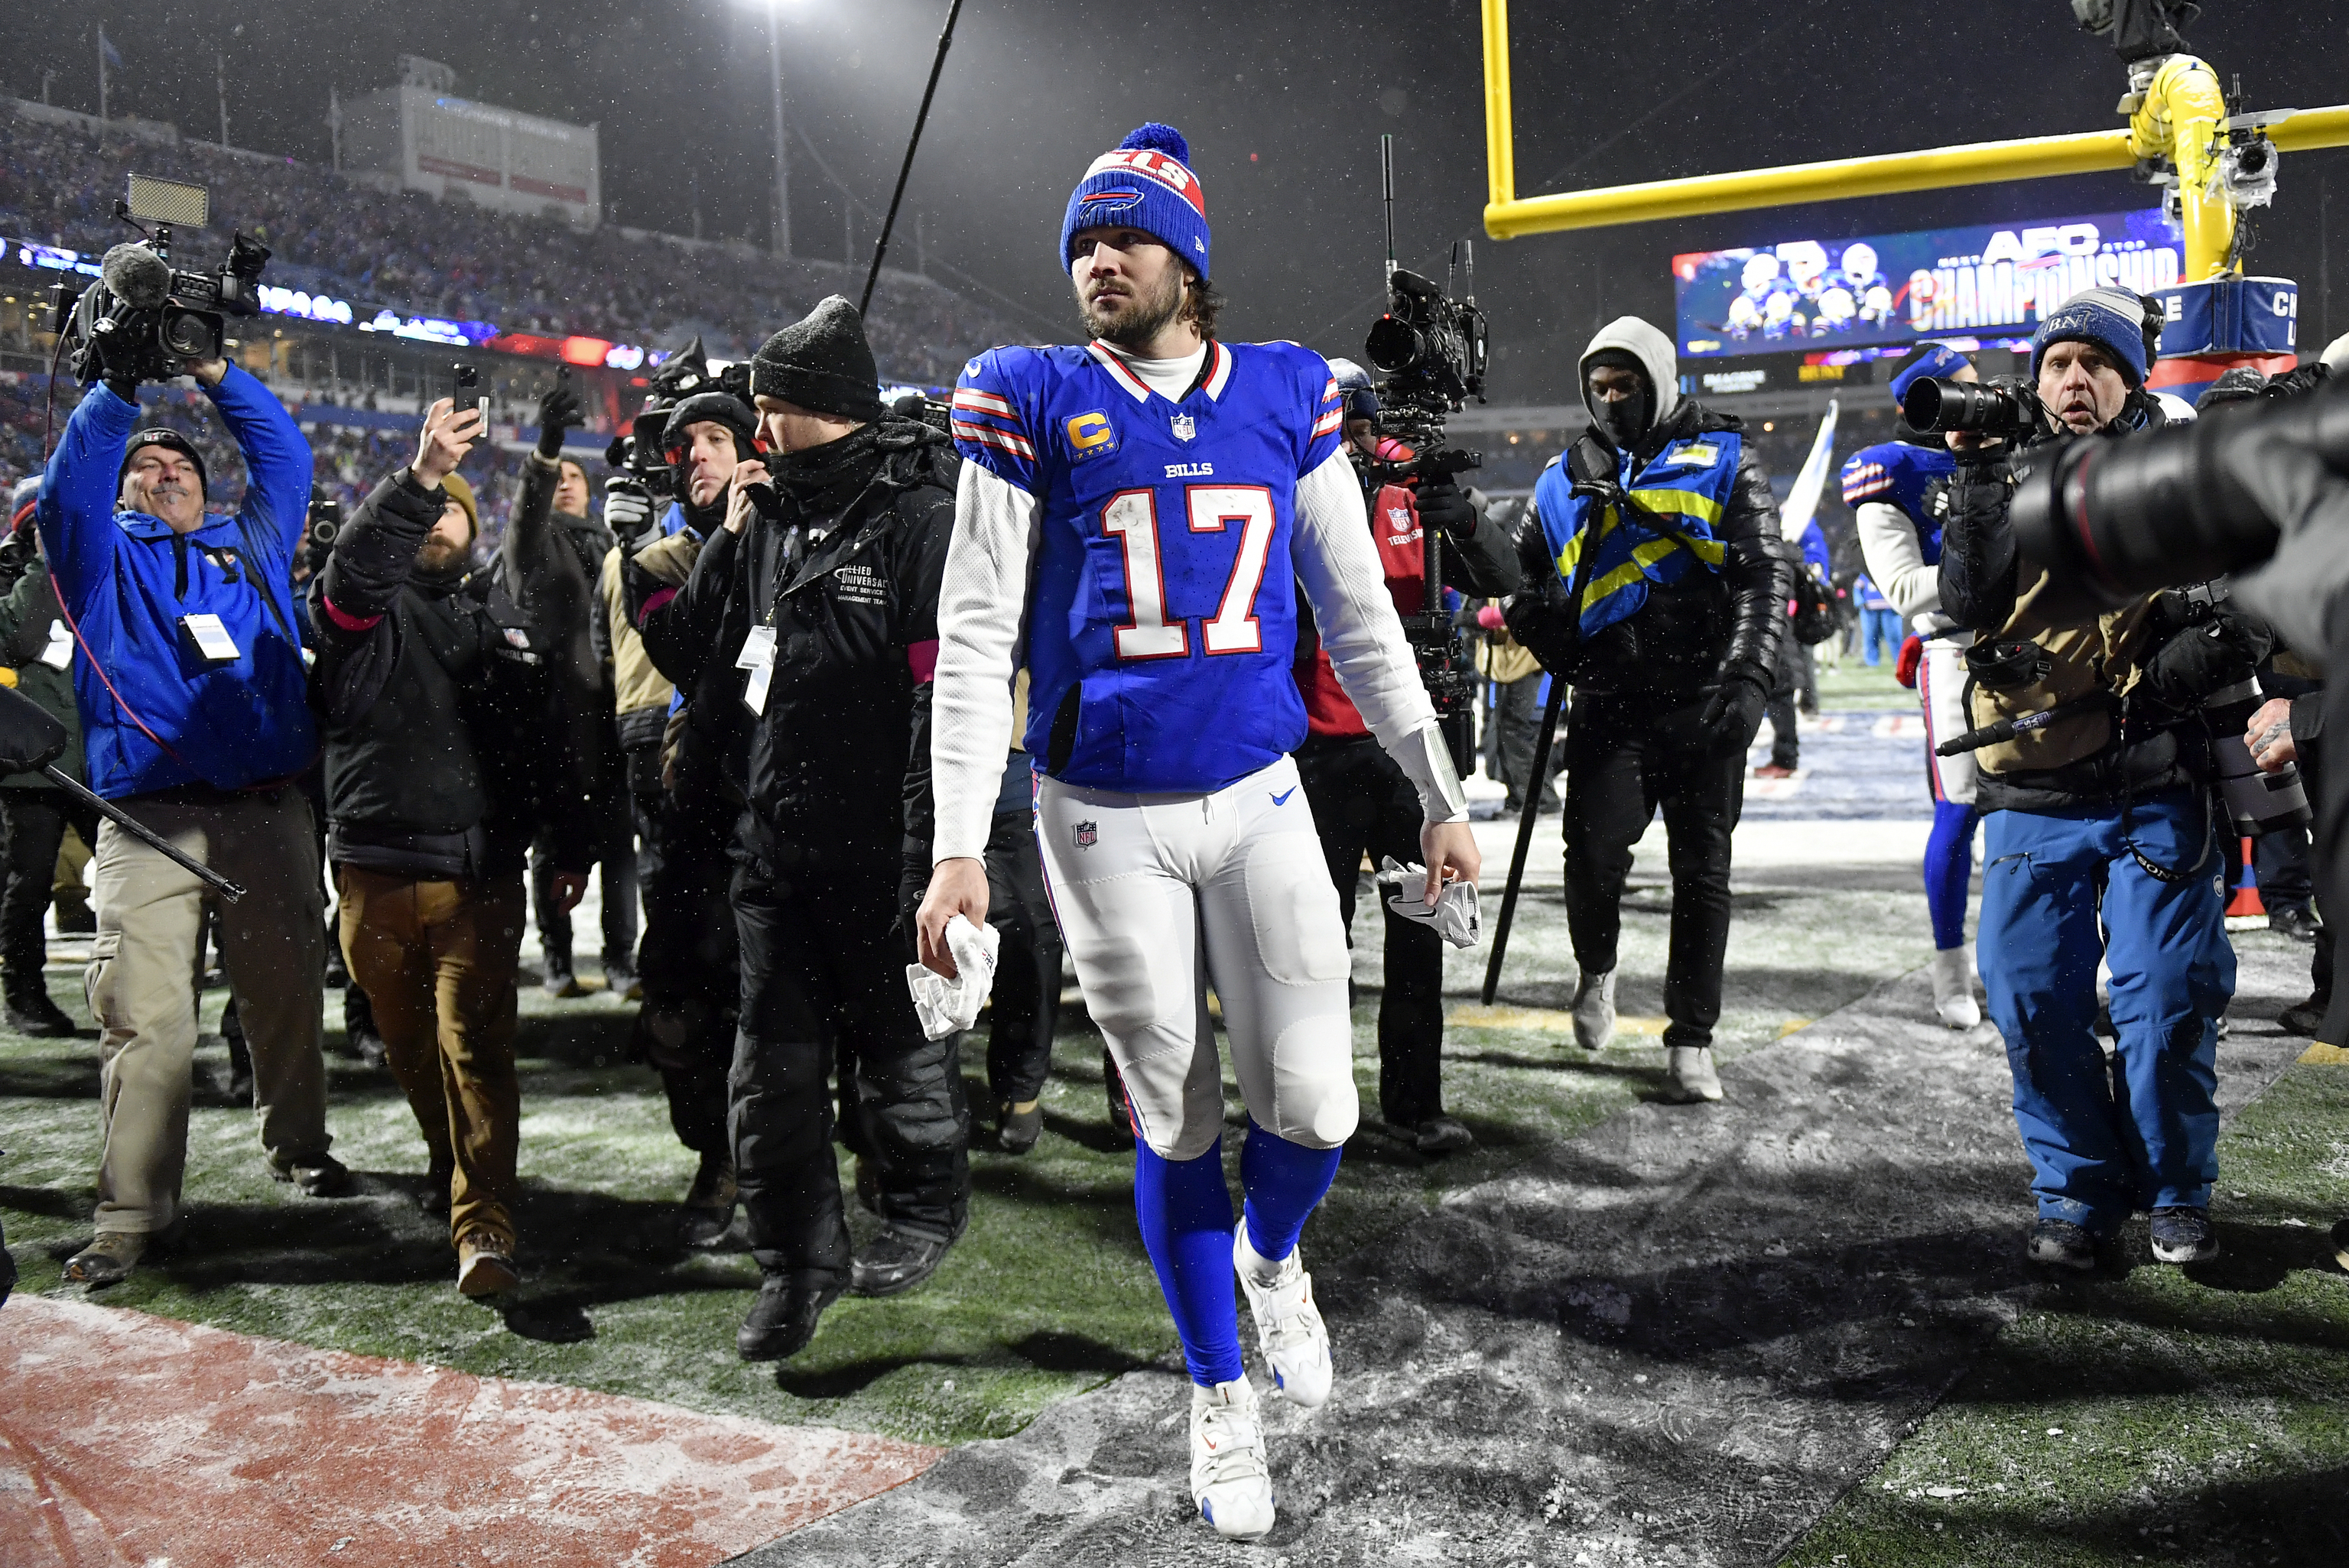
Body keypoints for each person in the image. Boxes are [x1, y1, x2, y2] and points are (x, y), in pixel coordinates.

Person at [918, 122, 1480, 1543]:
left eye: (1124, 235)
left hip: (1262, 795)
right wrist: (955, 844)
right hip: (1100, 814)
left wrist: (1435, 789)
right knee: (1171, 1112)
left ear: (1190, 259)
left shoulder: (1286, 393)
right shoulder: (1028, 393)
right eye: (1081, 243)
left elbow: (1359, 613)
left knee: (1317, 1110)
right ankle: (1217, 1388)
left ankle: (1272, 1258)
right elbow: (978, 633)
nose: (1098, 259)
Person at [638, 296, 970, 1361]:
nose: (757, 427)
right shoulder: (766, 511)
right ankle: (796, 1264)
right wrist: (726, 537)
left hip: (883, 849)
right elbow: (696, 656)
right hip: (774, 845)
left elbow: (937, 700)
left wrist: (929, 860)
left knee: (901, 1054)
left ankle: (923, 1207)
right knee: (768, 1075)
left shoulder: (918, 512)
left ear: (817, 408)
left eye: (771, 408)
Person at [1937, 285, 2247, 1272]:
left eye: (2095, 363)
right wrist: (1978, 481)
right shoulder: (1999, 472)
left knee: (2165, 992)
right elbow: (1967, 600)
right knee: (2030, 994)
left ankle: (2174, 1188)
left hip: (2157, 779)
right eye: (2058, 363)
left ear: (2131, 376)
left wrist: (2166, 682)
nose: (2075, 381)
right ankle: (2076, 1187)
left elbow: (2248, 607)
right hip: (2033, 785)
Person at [38, 349, 342, 1289]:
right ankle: (132, 1210)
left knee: (286, 994)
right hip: (149, 818)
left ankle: (299, 1146)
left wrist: (216, 369)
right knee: (146, 1017)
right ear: (123, 485)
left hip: (263, 807)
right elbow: (66, 487)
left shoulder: (243, 547)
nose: (166, 473)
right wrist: (118, 384)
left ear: (208, 492)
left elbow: (286, 461)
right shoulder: (97, 556)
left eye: (183, 468)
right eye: (148, 466)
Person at [308, 399, 591, 1297]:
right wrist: (421, 475)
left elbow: (546, 739)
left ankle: (485, 1226)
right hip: (371, 879)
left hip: (475, 878)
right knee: (413, 1055)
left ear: (473, 525)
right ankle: (455, 1166)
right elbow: (354, 574)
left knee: (475, 1052)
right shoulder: (363, 615)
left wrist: (565, 843)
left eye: (452, 506)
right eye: (428, 507)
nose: (438, 519)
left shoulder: (495, 617)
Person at [1503, 315, 1789, 1102]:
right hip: (1610, 703)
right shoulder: (1561, 477)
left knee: (1704, 872)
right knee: (1592, 861)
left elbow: (1765, 573)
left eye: (1625, 382)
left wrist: (1748, 678)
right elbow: (1520, 578)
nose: (1609, 397)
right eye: (1597, 384)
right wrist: (1551, 634)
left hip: (1703, 697)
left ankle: (1692, 1034)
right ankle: (1597, 969)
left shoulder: (1730, 456)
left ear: (1659, 380)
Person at [1295, 359, 1518, 1154]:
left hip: (1404, 751)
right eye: (1341, 426)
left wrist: (1460, 520)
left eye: (1363, 425)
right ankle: (1314, 1109)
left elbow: (1505, 577)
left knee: (1418, 936)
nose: (1356, 442)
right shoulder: (1283, 485)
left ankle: (1414, 1106)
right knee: (1311, 944)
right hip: (1310, 751)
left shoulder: (1411, 488)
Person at [614, 375, 758, 1245]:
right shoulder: (657, 563)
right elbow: (686, 641)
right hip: (698, 812)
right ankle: (714, 1151)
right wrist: (733, 542)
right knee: (677, 996)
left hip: (789, 807)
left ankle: (791, 1160)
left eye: (715, 438)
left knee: (784, 1001)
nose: (696, 454)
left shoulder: (797, 540)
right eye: (685, 444)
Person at [1848, 342, 1983, 1029]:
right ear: (1916, 404)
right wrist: (1996, 579)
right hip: (1957, 652)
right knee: (1961, 811)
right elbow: (1903, 587)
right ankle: (1950, 967)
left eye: (1974, 387)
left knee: (2047, 811)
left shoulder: (2008, 449)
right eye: (1951, 392)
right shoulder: (1893, 470)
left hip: (2040, 645)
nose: (1970, 403)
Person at [508, 382, 637, 998]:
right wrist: (547, 451)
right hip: (558, 712)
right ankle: (558, 958)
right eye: (554, 477)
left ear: (589, 492)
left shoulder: (613, 545)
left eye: (572, 478)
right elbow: (527, 519)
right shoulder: (535, 543)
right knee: (553, 841)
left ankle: (620, 958)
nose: (563, 482)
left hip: (612, 709)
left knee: (618, 843)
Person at [0, 479, 98, 1035]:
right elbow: (18, 637)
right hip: (31, 768)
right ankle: (24, 994)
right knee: (29, 880)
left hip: (94, 759)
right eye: (42, 526)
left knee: (128, 872)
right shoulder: (17, 578)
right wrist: (41, 566)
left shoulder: (89, 578)